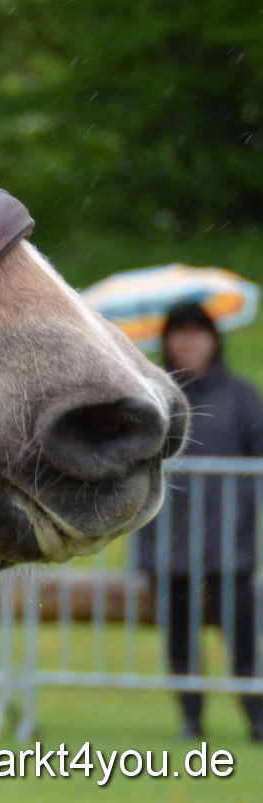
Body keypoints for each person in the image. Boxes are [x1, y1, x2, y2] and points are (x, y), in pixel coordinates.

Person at [134, 300, 263, 741]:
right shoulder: (149, 395)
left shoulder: (242, 396)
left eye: (198, 334)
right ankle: (191, 719)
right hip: (168, 543)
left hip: (232, 543)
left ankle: (256, 718)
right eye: (180, 334)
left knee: (244, 641)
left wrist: (239, 499)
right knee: (180, 641)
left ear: (214, 340)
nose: (189, 344)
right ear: (167, 341)